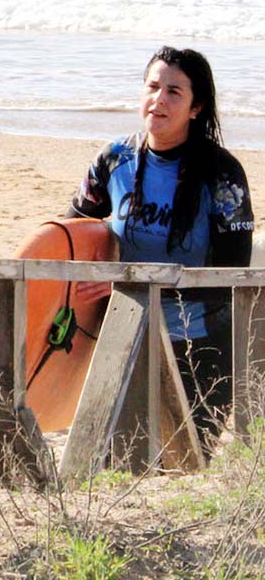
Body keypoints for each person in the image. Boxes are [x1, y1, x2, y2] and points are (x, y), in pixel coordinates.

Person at [67, 46, 254, 453]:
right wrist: (97, 281)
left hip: (197, 343)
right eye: (153, 86)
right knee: (120, 460)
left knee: (186, 464)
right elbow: (68, 234)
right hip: (122, 334)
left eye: (174, 91)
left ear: (195, 107)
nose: (159, 99)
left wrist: (131, 287)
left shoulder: (222, 174)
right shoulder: (114, 159)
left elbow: (230, 276)